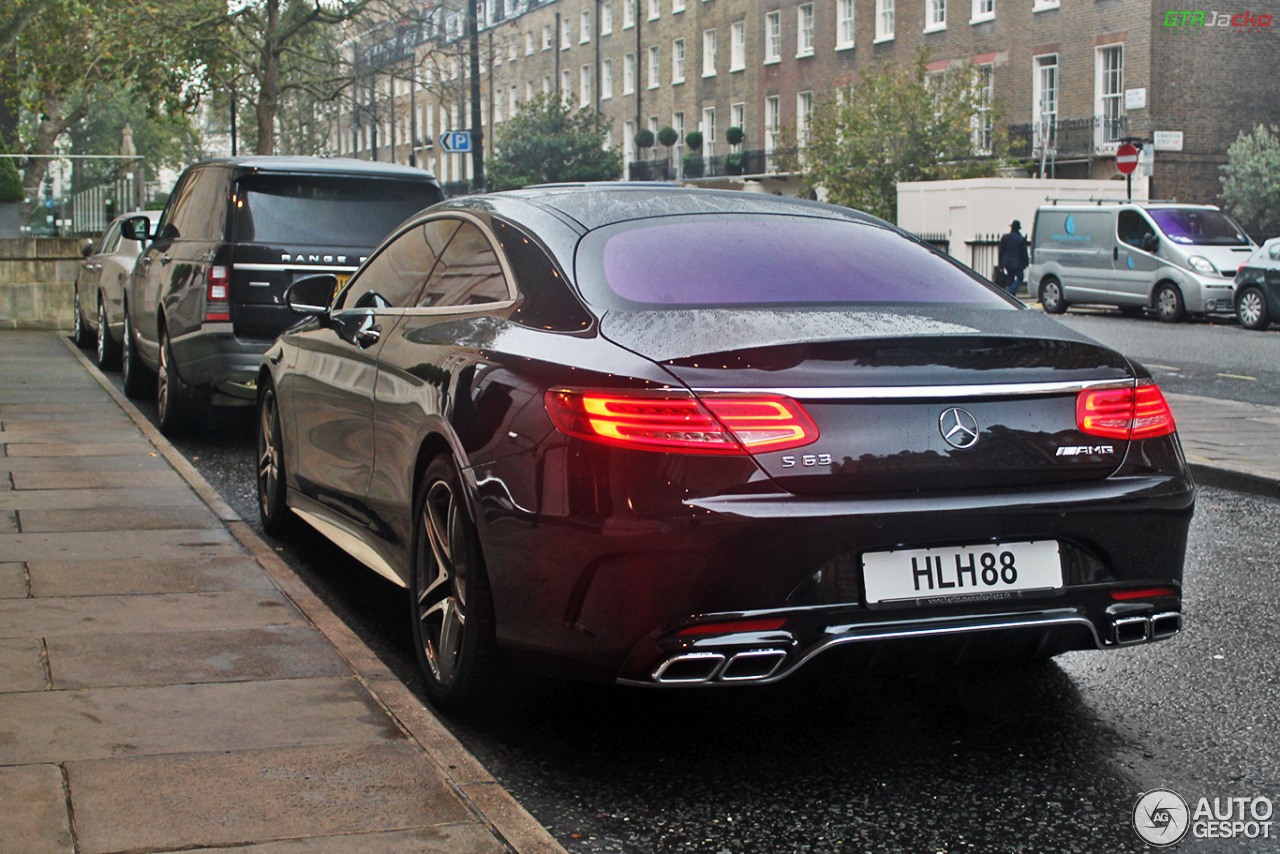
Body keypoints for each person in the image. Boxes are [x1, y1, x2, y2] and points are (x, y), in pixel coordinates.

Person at [998, 220, 1030, 297]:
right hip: (1017, 263)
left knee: (1011, 279)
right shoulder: (1021, 239)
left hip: (1007, 262)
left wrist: (1000, 263)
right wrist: (1027, 262)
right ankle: (1010, 292)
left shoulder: (1005, 237)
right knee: (1020, 278)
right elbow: (1024, 253)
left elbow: (1000, 251)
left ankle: (1012, 296)